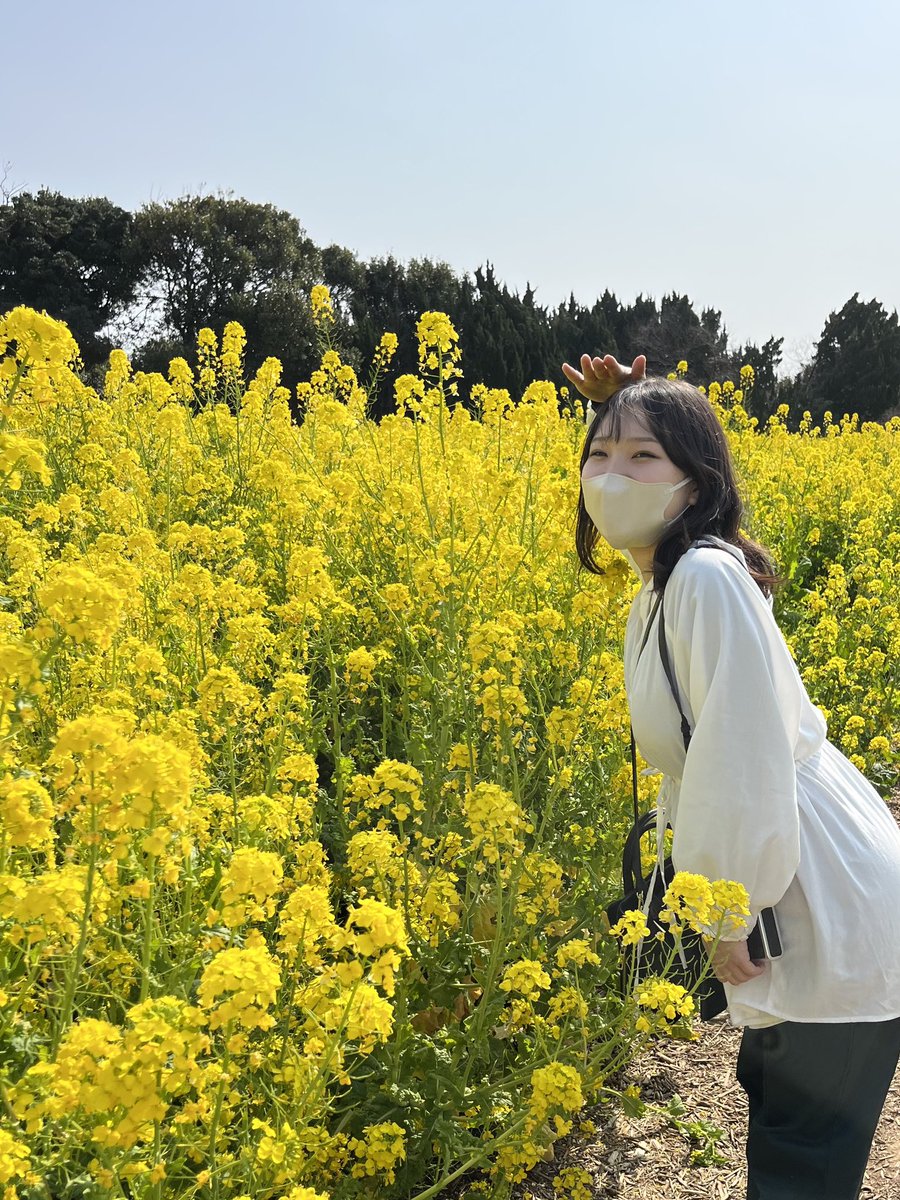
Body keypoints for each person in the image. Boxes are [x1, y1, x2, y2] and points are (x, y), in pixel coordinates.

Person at [562, 353, 900, 1200]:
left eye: (644, 457)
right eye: (599, 456)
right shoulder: (666, 579)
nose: (612, 477)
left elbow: (741, 759)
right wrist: (622, 407)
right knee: (780, 1102)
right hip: (797, 867)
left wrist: (725, 910)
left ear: (696, 481)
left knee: (804, 1145)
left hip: (819, 885)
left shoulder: (704, 576)